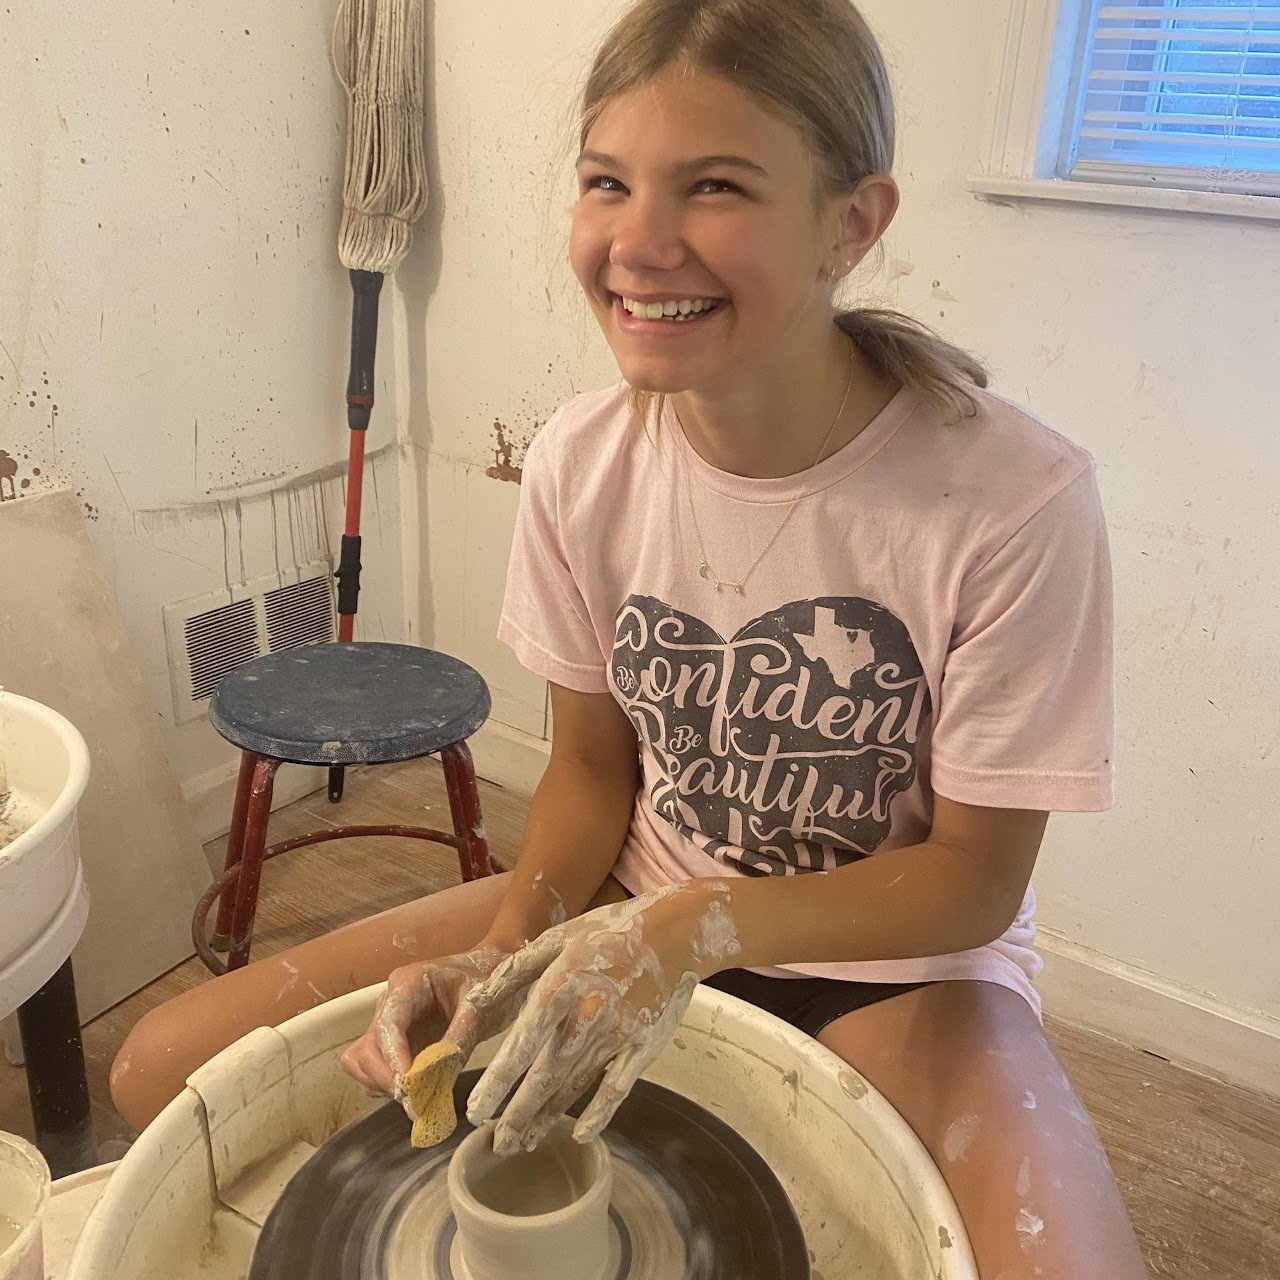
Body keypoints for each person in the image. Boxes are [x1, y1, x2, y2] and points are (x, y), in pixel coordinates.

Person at [113, 2, 1149, 1275]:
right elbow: (593, 772)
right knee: (157, 1068)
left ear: (853, 221)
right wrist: (504, 959)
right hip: (622, 904)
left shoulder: (1009, 498)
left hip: (898, 963)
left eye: (713, 187)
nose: (640, 243)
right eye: (606, 183)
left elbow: (974, 878)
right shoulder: (580, 461)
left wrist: (690, 933)